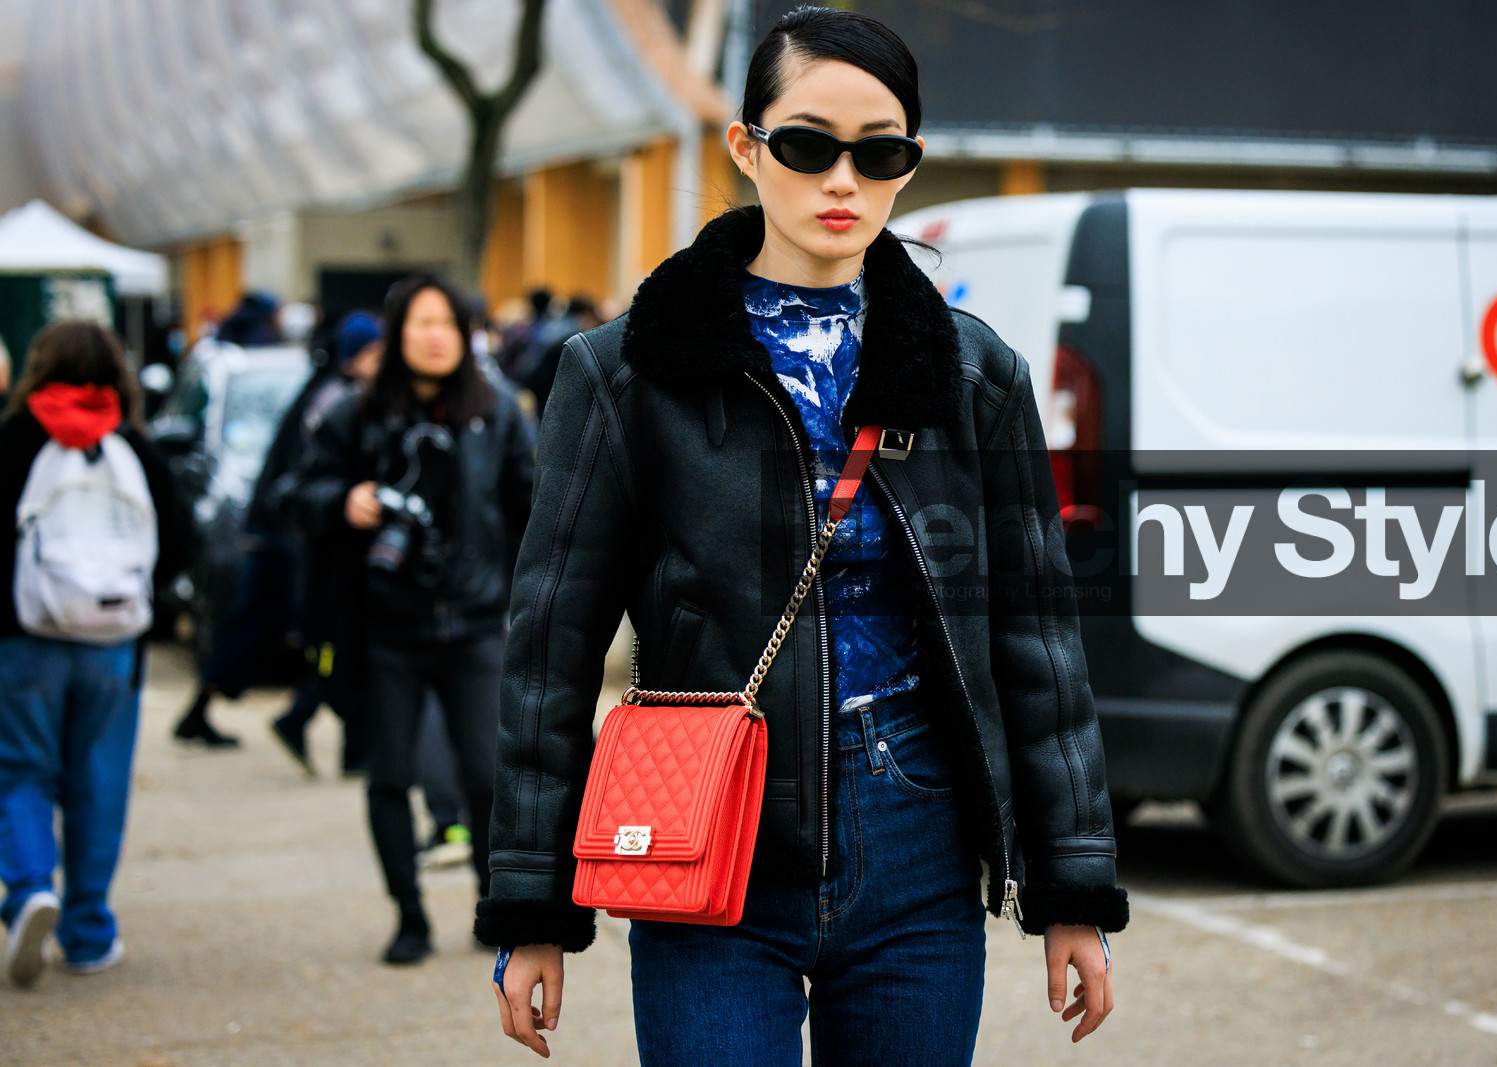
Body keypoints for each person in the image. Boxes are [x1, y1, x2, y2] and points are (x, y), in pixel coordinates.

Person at [478, 7, 1126, 1064]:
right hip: (710, 834)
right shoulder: (625, 372)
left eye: (878, 153)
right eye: (806, 144)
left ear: (907, 164)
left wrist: (1072, 885)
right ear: (746, 147)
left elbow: (1038, 641)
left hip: (917, 826)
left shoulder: (973, 374)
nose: (842, 180)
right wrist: (529, 903)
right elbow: (549, 647)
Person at [293, 274, 535, 965]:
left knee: (488, 777)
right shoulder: (357, 413)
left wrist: (526, 592)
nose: (435, 337)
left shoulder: (497, 413)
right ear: (398, 336)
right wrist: (346, 499)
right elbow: (297, 491)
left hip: (477, 623)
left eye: (448, 325)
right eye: (421, 324)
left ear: (465, 336)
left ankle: (492, 904)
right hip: (385, 628)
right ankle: (408, 915)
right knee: (390, 775)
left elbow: (536, 503)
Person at [0, 322, 187, 985]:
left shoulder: (15, 438)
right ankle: (87, 932)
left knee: (21, 772)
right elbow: (176, 544)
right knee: (99, 783)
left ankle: (27, 889)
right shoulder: (135, 444)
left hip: (24, 642)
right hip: (114, 646)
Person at [265, 310, 385, 777]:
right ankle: (332, 737)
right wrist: (344, 501)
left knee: (345, 656)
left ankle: (319, 729)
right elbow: (298, 487)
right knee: (338, 655)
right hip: (333, 560)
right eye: (375, 352)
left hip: (349, 561)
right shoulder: (339, 405)